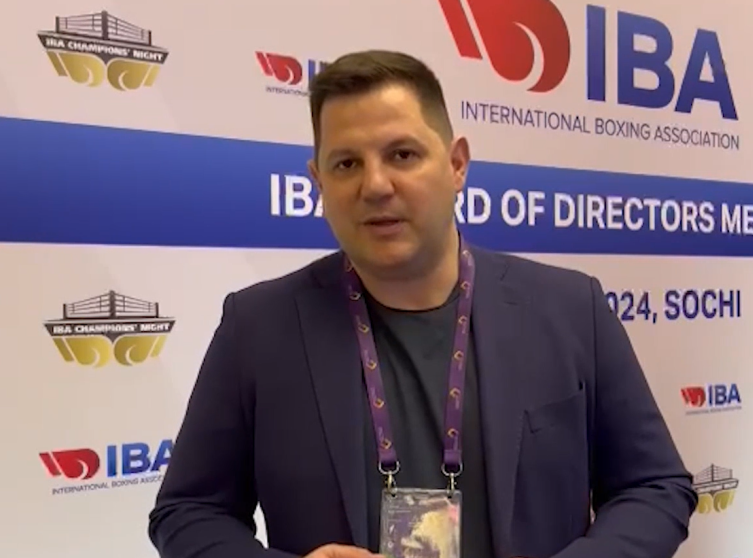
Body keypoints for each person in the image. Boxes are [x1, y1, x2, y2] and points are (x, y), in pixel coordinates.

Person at [148, 50, 697, 558]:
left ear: (456, 164)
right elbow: (187, 512)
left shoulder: (573, 309)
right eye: (346, 164)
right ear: (318, 182)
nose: (375, 185)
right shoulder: (257, 328)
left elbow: (655, 486)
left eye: (402, 154)